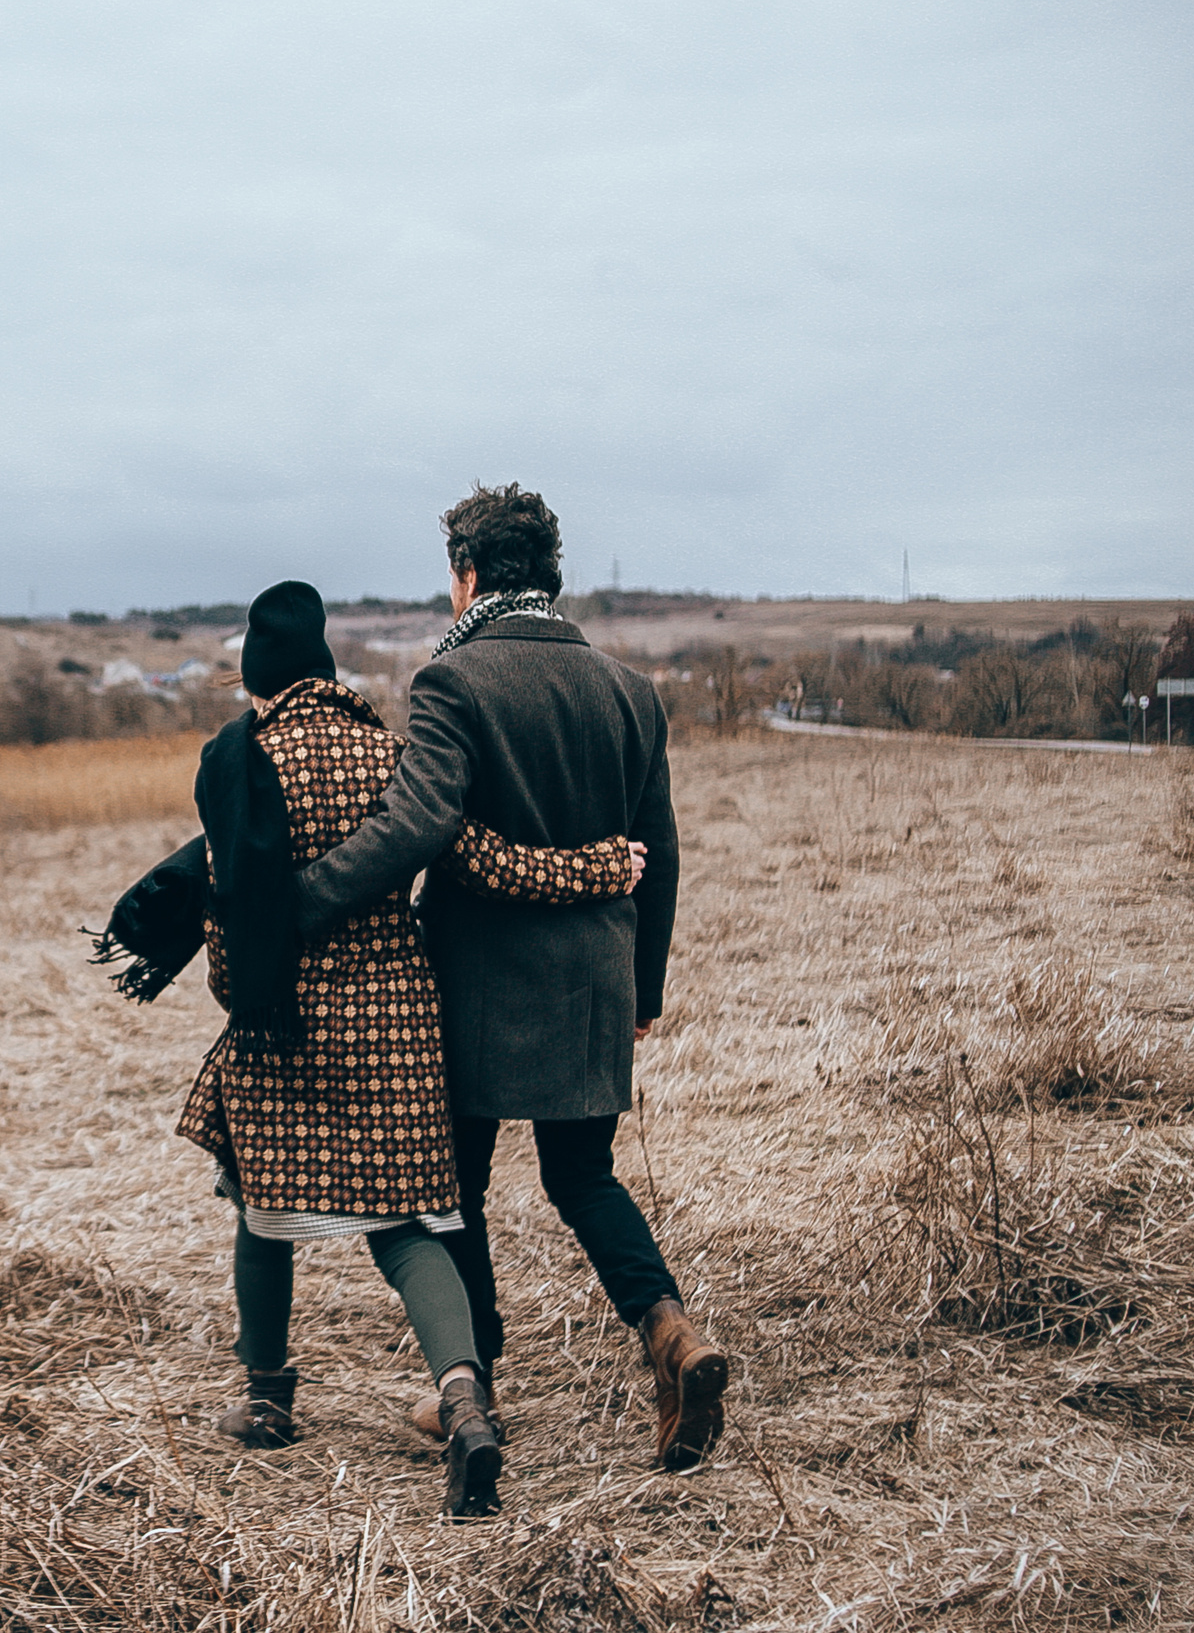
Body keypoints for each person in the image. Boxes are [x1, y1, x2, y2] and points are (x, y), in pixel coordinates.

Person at [88, 579, 639, 1519]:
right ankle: (466, 1404)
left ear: (258, 680)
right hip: (396, 1019)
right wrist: (598, 866)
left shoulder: (239, 760)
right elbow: (486, 860)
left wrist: (241, 996)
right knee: (405, 1225)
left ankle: (265, 1397)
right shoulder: (391, 752)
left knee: (259, 1205)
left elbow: (230, 916)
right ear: (329, 669)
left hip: (287, 1024)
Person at [293, 484, 728, 1472]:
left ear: (468, 573)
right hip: (594, 983)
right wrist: (644, 989)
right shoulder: (627, 687)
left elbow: (415, 823)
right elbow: (659, 847)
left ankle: (471, 1389)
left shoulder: (452, 681)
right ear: (550, 573)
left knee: (456, 1190)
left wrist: (308, 899)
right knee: (582, 1175)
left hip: (479, 986)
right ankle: (672, 1334)